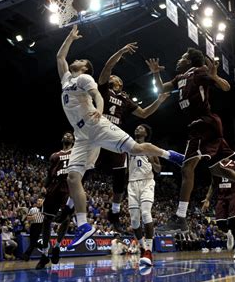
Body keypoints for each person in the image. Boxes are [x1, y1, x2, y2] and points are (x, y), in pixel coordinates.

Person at [55, 25, 184, 249]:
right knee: (73, 177)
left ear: (86, 68)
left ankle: (170, 155)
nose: (78, 60)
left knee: (135, 150)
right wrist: (70, 37)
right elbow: (60, 56)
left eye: (82, 60)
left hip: (98, 126)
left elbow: (98, 95)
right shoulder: (67, 79)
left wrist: (99, 108)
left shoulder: (85, 79)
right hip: (82, 135)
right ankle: (84, 224)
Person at [145, 49, 235, 233]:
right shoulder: (181, 77)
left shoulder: (199, 72)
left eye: (182, 57)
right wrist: (156, 73)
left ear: (189, 61)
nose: (179, 59)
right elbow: (163, 88)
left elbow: (226, 87)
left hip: (202, 123)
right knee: (218, 169)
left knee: (187, 168)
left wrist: (215, 76)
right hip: (204, 125)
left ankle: (180, 218)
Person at [97, 42, 169, 232]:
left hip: (114, 136)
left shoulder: (126, 99)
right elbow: (107, 67)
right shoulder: (103, 90)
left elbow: (144, 113)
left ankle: (114, 212)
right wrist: (120, 51)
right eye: (112, 77)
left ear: (120, 84)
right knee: (85, 168)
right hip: (98, 132)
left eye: (116, 78)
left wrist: (159, 101)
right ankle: (72, 205)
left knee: (120, 173)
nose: (112, 77)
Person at [36, 132, 74, 269]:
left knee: (66, 217)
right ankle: (45, 254)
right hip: (54, 187)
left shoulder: (76, 151)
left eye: (70, 135)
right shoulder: (54, 155)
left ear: (74, 140)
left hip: (68, 186)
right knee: (47, 220)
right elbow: (48, 175)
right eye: (66, 135)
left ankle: (57, 247)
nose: (68, 136)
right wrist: (44, 187)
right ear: (62, 139)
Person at [202, 159, 235, 259]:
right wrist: (207, 199)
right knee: (220, 224)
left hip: (233, 194)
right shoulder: (215, 165)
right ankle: (229, 234)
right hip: (221, 196)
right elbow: (213, 184)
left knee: (233, 222)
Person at [127, 124, 159, 267]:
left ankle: (149, 251)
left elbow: (158, 169)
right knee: (134, 221)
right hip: (132, 183)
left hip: (147, 182)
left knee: (146, 213)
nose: (137, 129)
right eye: (136, 127)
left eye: (141, 128)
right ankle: (143, 248)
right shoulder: (129, 146)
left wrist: (152, 161)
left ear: (146, 133)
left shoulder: (151, 148)